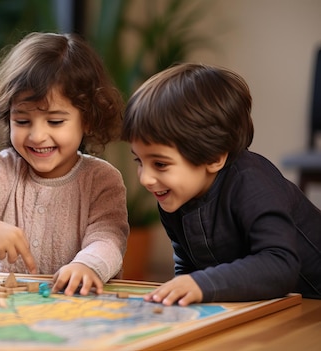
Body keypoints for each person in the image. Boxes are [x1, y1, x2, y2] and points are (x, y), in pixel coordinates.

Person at [0, 32, 129, 296]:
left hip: (76, 316)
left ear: (86, 119)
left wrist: (88, 265)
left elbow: (108, 239)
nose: (37, 136)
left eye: (55, 121)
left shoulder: (102, 179)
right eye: (23, 121)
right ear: (8, 117)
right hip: (2, 317)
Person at [121, 62, 321, 305]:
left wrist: (201, 284)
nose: (145, 178)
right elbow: (188, 264)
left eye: (160, 164)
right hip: (279, 306)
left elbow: (280, 264)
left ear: (214, 158)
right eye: (139, 161)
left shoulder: (252, 182)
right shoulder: (174, 195)